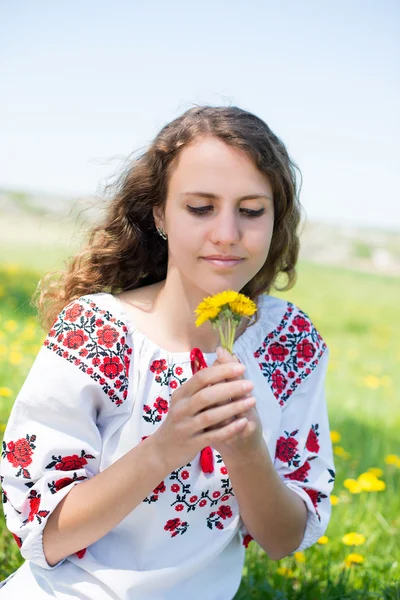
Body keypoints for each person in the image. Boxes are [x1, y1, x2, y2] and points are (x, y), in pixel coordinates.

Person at [0, 105, 335, 599]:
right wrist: (166, 446)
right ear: (160, 213)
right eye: (200, 208)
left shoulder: (288, 344)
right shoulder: (97, 332)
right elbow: (45, 537)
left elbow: (283, 540)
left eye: (251, 210)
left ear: (274, 219)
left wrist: (247, 455)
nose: (227, 233)